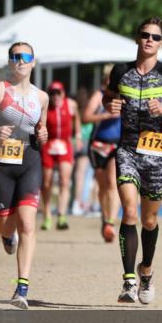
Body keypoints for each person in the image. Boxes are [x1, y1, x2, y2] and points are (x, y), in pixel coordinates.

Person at [104, 16, 162, 304]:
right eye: (145, 35)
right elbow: (108, 97)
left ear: (161, 43)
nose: (149, 40)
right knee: (129, 212)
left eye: (155, 37)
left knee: (149, 220)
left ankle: (147, 271)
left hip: (154, 152)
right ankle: (128, 281)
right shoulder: (121, 71)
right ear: (137, 38)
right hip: (127, 149)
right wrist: (111, 103)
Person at [0, 41, 49, 309]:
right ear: (9, 62)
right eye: (15, 56)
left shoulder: (42, 97)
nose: (20, 60)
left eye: (25, 56)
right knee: (7, 224)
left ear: (33, 62)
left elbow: (43, 129)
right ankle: (7, 237)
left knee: (27, 224)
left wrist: (44, 134)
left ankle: (22, 289)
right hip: (2, 163)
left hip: (30, 159)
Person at [82, 64, 122, 243]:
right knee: (102, 184)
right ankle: (105, 217)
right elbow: (86, 117)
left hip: (118, 145)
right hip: (99, 144)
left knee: (113, 182)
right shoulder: (99, 96)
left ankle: (111, 223)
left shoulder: (125, 95)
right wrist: (105, 115)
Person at [40, 81, 81, 231]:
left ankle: (62, 215)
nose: (56, 96)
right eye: (52, 93)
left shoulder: (71, 104)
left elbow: (77, 118)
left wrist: (78, 135)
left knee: (64, 181)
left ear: (63, 93)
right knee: (46, 183)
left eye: (58, 93)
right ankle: (47, 215)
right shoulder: (45, 106)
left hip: (64, 145)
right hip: (49, 145)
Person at [72, 85, 95, 217]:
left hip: (75, 141)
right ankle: (81, 202)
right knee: (85, 175)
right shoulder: (89, 111)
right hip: (86, 143)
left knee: (76, 175)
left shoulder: (76, 111)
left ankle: (77, 202)